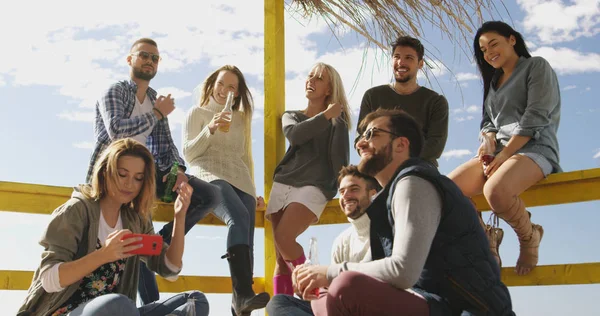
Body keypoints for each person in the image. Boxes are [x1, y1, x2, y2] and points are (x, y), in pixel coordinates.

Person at [294, 109, 515, 316]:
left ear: (401, 144)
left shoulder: (415, 182)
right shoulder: (384, 202)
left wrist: (331, 273)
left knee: (345, 287)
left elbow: (402, 271)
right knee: (287, 304)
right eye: (361, 136)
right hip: (422, 299)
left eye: (372, 134)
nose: (361, 143)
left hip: (464, 308)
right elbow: (378, 272)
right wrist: (319, 280)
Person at [86, 38, 220, 304]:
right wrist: (157, 113)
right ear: (130, 60)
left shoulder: (154, 100)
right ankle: (150, 305)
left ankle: (159, 240)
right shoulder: (114, 91)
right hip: (113, 176)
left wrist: (178, 169)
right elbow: (117, 132)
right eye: (144, 55)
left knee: (210, 196)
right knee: (134, 240)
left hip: (145, 175)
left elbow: (166, 145)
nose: (149, 61)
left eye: (155, 58)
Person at [18, 139, 209, 316]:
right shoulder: (77, 210)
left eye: (138, 178)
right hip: (67, 311)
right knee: (119, 304)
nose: (129, 184)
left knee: (195, 301)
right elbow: (49, 279)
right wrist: (105, 254)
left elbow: (170, 268)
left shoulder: (136, 220)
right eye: (122, 174)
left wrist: (180, 216)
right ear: (105, 171)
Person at [448, 21, 561, 275]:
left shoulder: (536, 66)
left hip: (535, 148)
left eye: (493, 44)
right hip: (499, 153)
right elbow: (489, 121)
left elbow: (536, 115)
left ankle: (529, 236)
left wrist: (506, 154)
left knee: (496, 191)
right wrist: (487, 139)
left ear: (512, 39)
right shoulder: (494, 82)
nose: (488, 53)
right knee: (448, 190)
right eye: (483, 49)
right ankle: (485, 239)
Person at [182, 65, 269, 315]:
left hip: (240, 179)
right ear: (212, 84)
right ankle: (242, 294)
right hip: (209, 175)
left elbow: (245, 158)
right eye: (221, 83)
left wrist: (253, 192)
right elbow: (189, 153)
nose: (224, 90)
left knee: (249, 236)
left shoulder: (241, 119)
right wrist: (210, 128)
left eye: (231, 86)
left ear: (238, 93)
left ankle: (240, 305)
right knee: (238, 217)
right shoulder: (196, 113)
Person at [266, 62, 350, 296]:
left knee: (284, 238)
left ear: (329, 89)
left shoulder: (337, 121)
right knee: (281, 260)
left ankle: (316, 289)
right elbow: (296, 135)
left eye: (319, 78)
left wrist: (344, 187)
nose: (311, 81)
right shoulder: (291, 116)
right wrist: (325, 116)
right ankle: (281, 310)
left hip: (315, 185)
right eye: (310, 76)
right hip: (284, 182)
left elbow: (340, 160)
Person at [266, 165, 380, 316]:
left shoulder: (385, 232)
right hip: (344, 309)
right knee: (278, 303)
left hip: (375, 307)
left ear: (373, 194)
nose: (346, 196)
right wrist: (308, 288)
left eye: (354, 189)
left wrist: (326, 275)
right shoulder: (342, 241)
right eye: (342, 191)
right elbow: (333, 291)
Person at [356, 36, 449, 166]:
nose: (401, 62)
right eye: (397, 57)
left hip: (419, 171)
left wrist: (397, 161)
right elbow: (361, 138)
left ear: (420, 63)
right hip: (378, 169)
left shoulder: (436, 101)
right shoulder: (372, 96)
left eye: (408, 58)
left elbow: (435, 146)